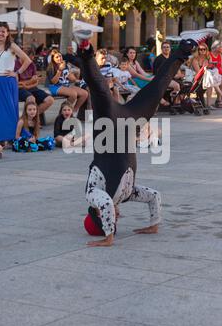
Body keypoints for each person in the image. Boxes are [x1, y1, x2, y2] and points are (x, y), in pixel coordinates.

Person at [77, 35, 200, 247]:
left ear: (99, 215)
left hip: (109, 125)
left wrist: (109, 237)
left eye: (113, 218)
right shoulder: (125, 194)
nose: (117, 214)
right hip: (129, 121)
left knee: (99, 91)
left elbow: (106, 202)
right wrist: (154, 223)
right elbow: (154, 196)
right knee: (157, 88)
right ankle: (186, 48)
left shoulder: (93, 195)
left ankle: (86, 50)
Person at [0, 22, 32, 145]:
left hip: (8, 82)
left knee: (10, 110)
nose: (0, 33)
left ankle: (13, 136)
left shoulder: (12, 46)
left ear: (7, 33)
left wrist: (17, 73)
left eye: (3, 31)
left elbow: (27, 60)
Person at [15, 51, 54, 126]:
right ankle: (28, 122)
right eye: (30, 58)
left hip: (32, 88)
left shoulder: (31, 64)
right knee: (31, 99)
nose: (31, 60)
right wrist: (30, 81)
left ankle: (30, 119)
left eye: (32, 57)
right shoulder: (15, 65)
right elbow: (16, 84)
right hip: (20, 89)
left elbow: (36, 82)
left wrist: (27, 85)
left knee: (50, 100)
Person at [46, 49, 88, 114]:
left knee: (84, 94)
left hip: (66, 85)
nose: (59, 58)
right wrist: (60, 70)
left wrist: (73, 73)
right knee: (73, 94)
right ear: (53, 59)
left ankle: (73, 111)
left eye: (60, 56)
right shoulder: (51, 68)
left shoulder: (65, 65)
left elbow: (72, 79)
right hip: (55, 87)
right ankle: (63, 112)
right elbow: (53, 82)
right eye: (57, 57)